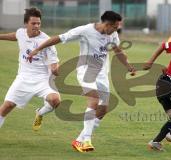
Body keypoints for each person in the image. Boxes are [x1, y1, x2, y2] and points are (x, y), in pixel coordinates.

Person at [27, 11, 136, 152]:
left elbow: (118, 51)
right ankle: (87, 140)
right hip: (86, 71)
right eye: (115, 27)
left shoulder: (112, 34)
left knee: (103, 110)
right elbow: (59, 38)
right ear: (107, 24)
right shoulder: (85, 30)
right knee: (94, 100)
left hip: (102, 74)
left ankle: (78, 140)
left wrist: (128, 66)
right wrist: (37, 49)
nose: (117, 30)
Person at [0, 8, 61, 131]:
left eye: (38, 23)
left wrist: (55, 69)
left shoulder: (47, 41)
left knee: (55, 101)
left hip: (43, 79)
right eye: (33, 23)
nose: (36, 26)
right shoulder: (21, 33)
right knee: (6, 107)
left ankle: (40, 113)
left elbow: (55, 64)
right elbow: (15, 36)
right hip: (23, 78)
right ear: (26, 24)